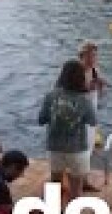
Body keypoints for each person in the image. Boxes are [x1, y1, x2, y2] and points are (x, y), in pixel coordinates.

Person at [38, 60, 98, 203]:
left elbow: (41, 120)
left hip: (55, 147)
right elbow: (93, 121)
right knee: (76, 190)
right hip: (77, 149)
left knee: (55, 184)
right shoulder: (85, 99)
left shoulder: (50, 96)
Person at [78, 41, 107, 192]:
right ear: (82, 56)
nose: (92, 59)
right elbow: (73, 92)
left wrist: (100, 86)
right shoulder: (76, 71)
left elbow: (99, 94)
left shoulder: (95, 70)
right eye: (89, 56)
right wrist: (89, 86)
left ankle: (84, 180)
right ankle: (78, 180)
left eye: (94, 55)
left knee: (88, 147)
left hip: (91, 114)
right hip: (79, 116)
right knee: (79, 149)